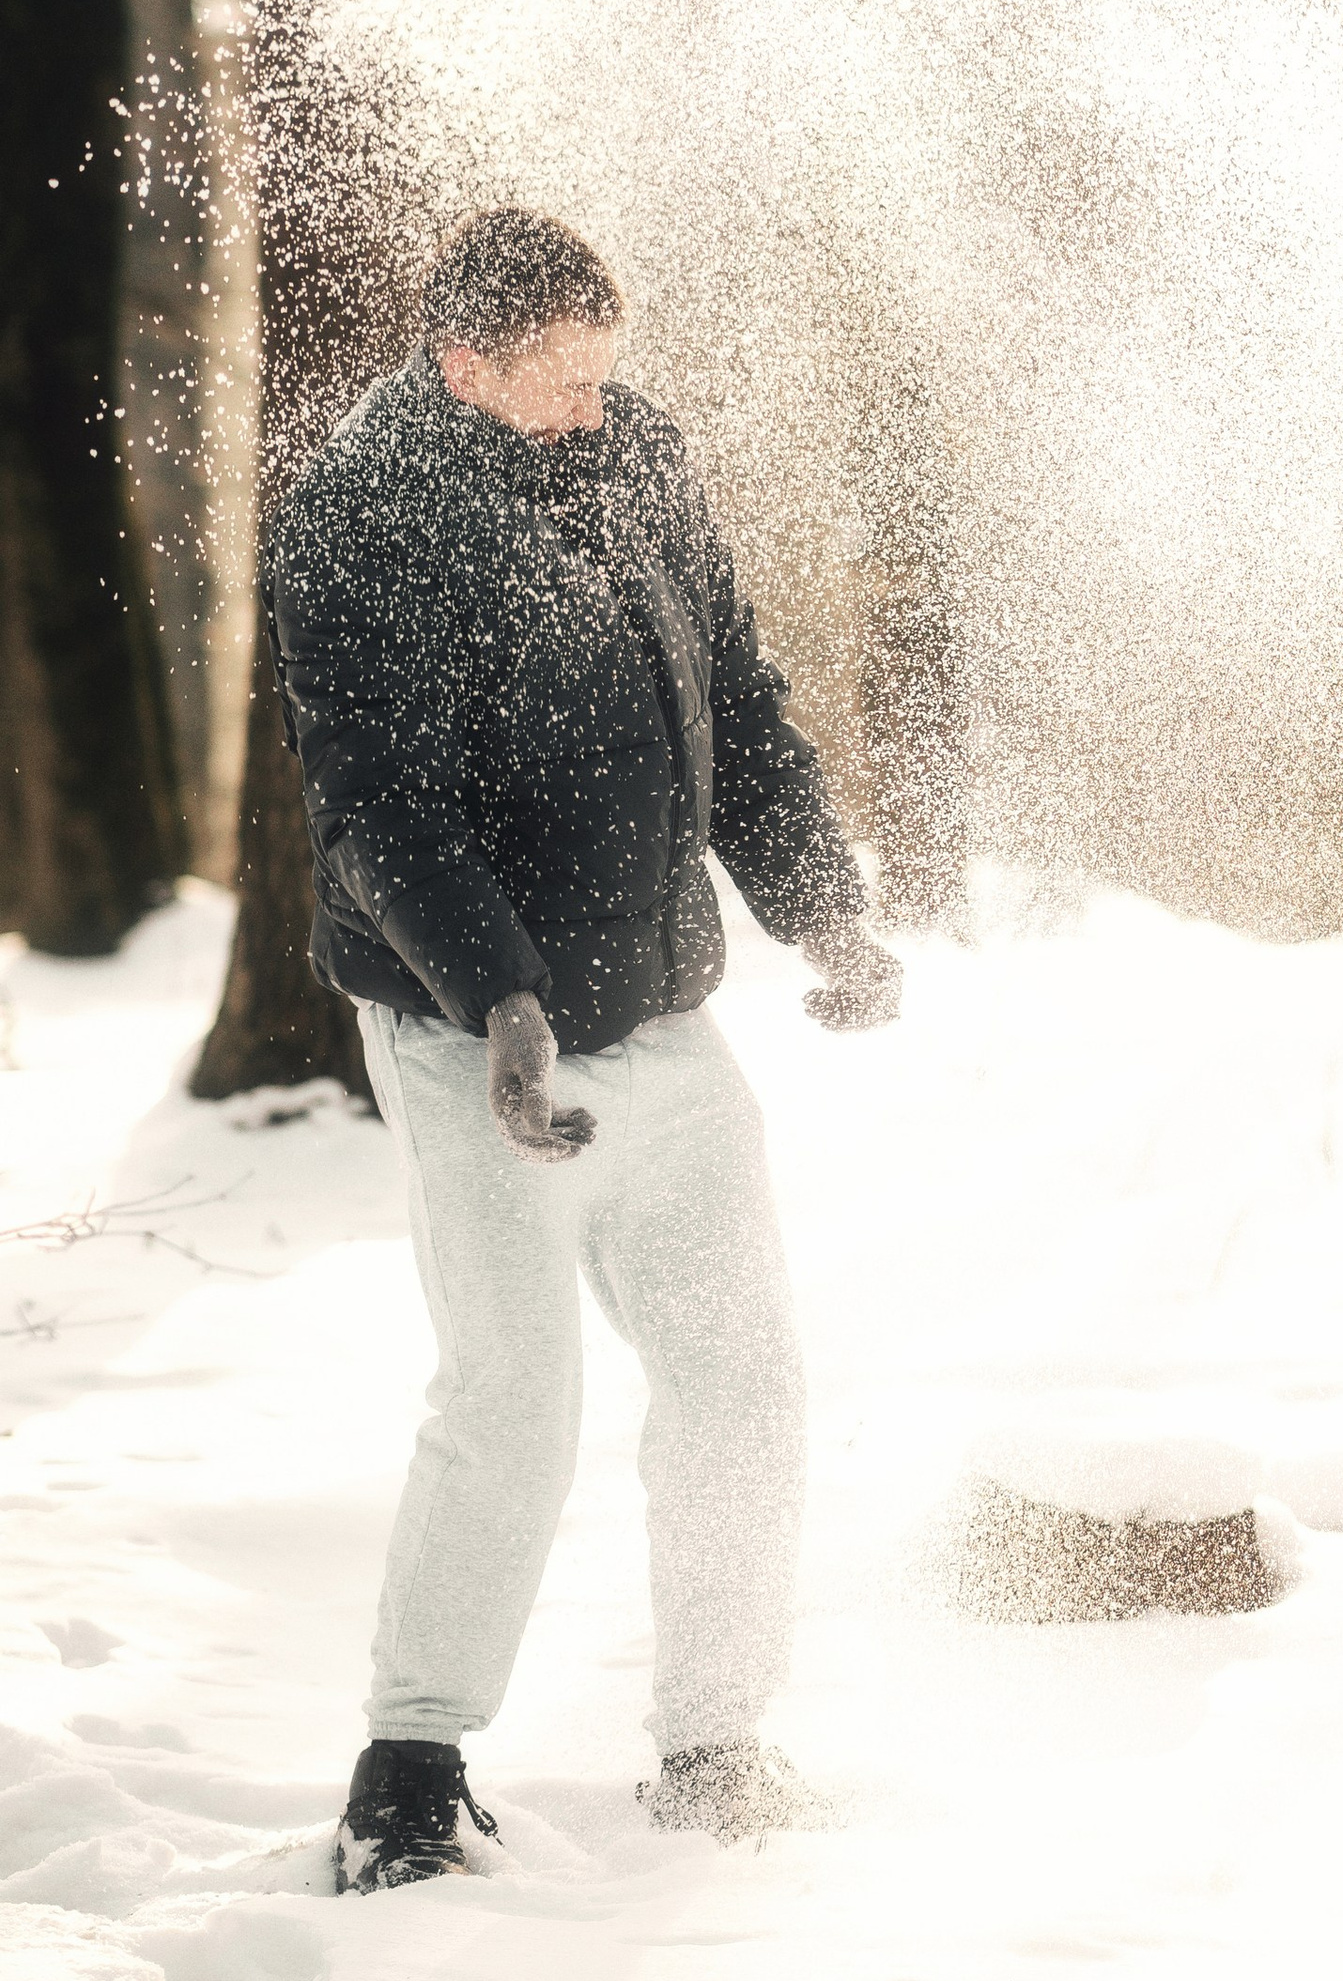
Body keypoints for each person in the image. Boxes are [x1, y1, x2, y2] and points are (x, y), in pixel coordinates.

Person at [265, 208, 903, 1893]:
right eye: (562, 382)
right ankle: (408, 1767)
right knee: (513, 1396)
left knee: (743, 1377)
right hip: (473, 1028)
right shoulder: (357, 516)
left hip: (659, 1005)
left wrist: (819, 903)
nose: (597, 410)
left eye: (609, 372)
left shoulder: (641, 453)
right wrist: (505, 1003)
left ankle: (712, 1742)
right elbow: (377, 811)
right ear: (463, 366)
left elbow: (740, 701)